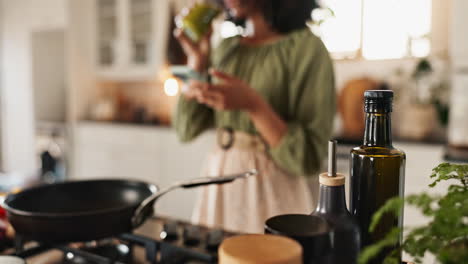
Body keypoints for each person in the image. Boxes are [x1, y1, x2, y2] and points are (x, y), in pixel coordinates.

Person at [173, 0, 335, 233]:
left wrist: (254, 105)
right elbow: (185, 128)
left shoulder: (307, 48)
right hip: (219, 185)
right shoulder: (226, 48)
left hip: (273, 192)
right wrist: (196, 59)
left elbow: (307, 158)